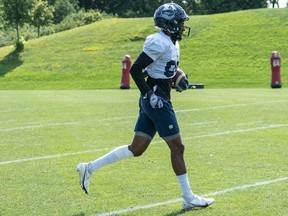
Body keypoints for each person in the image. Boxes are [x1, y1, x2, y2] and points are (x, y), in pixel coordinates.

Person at [77, 3, 214, 210]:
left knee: (137, 148)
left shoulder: (171, 41)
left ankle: (89, 168)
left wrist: (180, 76)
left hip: (158, 97)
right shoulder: (158, 41)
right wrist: (149, 95)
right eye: (179, 22)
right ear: (168, 23)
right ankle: (188, 197)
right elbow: (136, 69)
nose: (182, 27)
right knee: (178, 147)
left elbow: (168, 67)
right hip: (157, 100)